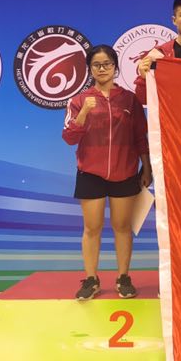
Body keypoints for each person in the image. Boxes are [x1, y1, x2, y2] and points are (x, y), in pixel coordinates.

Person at [62, 45, 151, 301]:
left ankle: (123, 277)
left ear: (115, 67)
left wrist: (146, 167)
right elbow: (69, 137)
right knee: (92, 228)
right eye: (97, 65)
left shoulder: (129, 99)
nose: (102, 69)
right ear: (90, 69)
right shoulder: (79, 100)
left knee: (122, 227)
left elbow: (140, 136)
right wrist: (84, 113)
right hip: (90, 173)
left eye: (107, 64)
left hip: (126, 172)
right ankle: (91, 279)